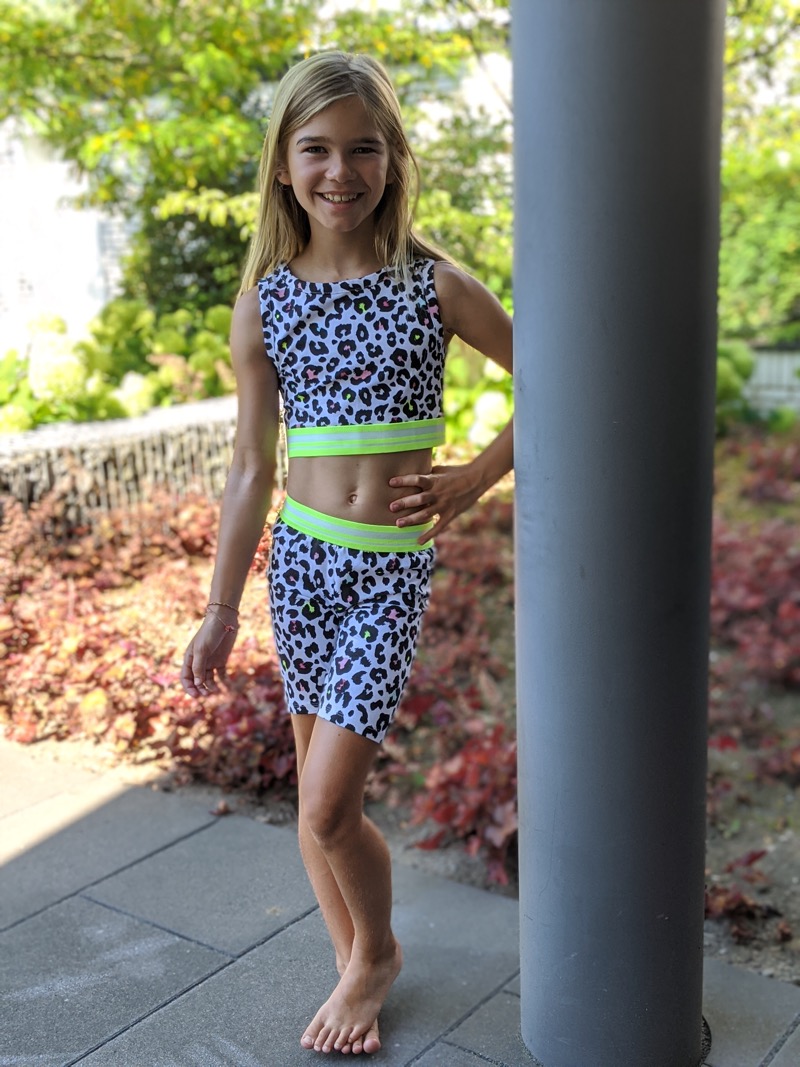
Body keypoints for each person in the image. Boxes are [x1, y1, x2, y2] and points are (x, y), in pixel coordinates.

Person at [180, 50, 513, 1056]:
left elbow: (559, 374)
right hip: (302, 564)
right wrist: (220, 608)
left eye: (362, 149)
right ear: (284, 165)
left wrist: (473, 477)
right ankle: (350, 954)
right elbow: (251, 466)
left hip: (386, 570)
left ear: (391, 158)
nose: (339, 171)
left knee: (329, 802)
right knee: (312, 793)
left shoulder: (434, 285)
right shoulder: (264, 303)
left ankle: (376, 957)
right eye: (316, 149)